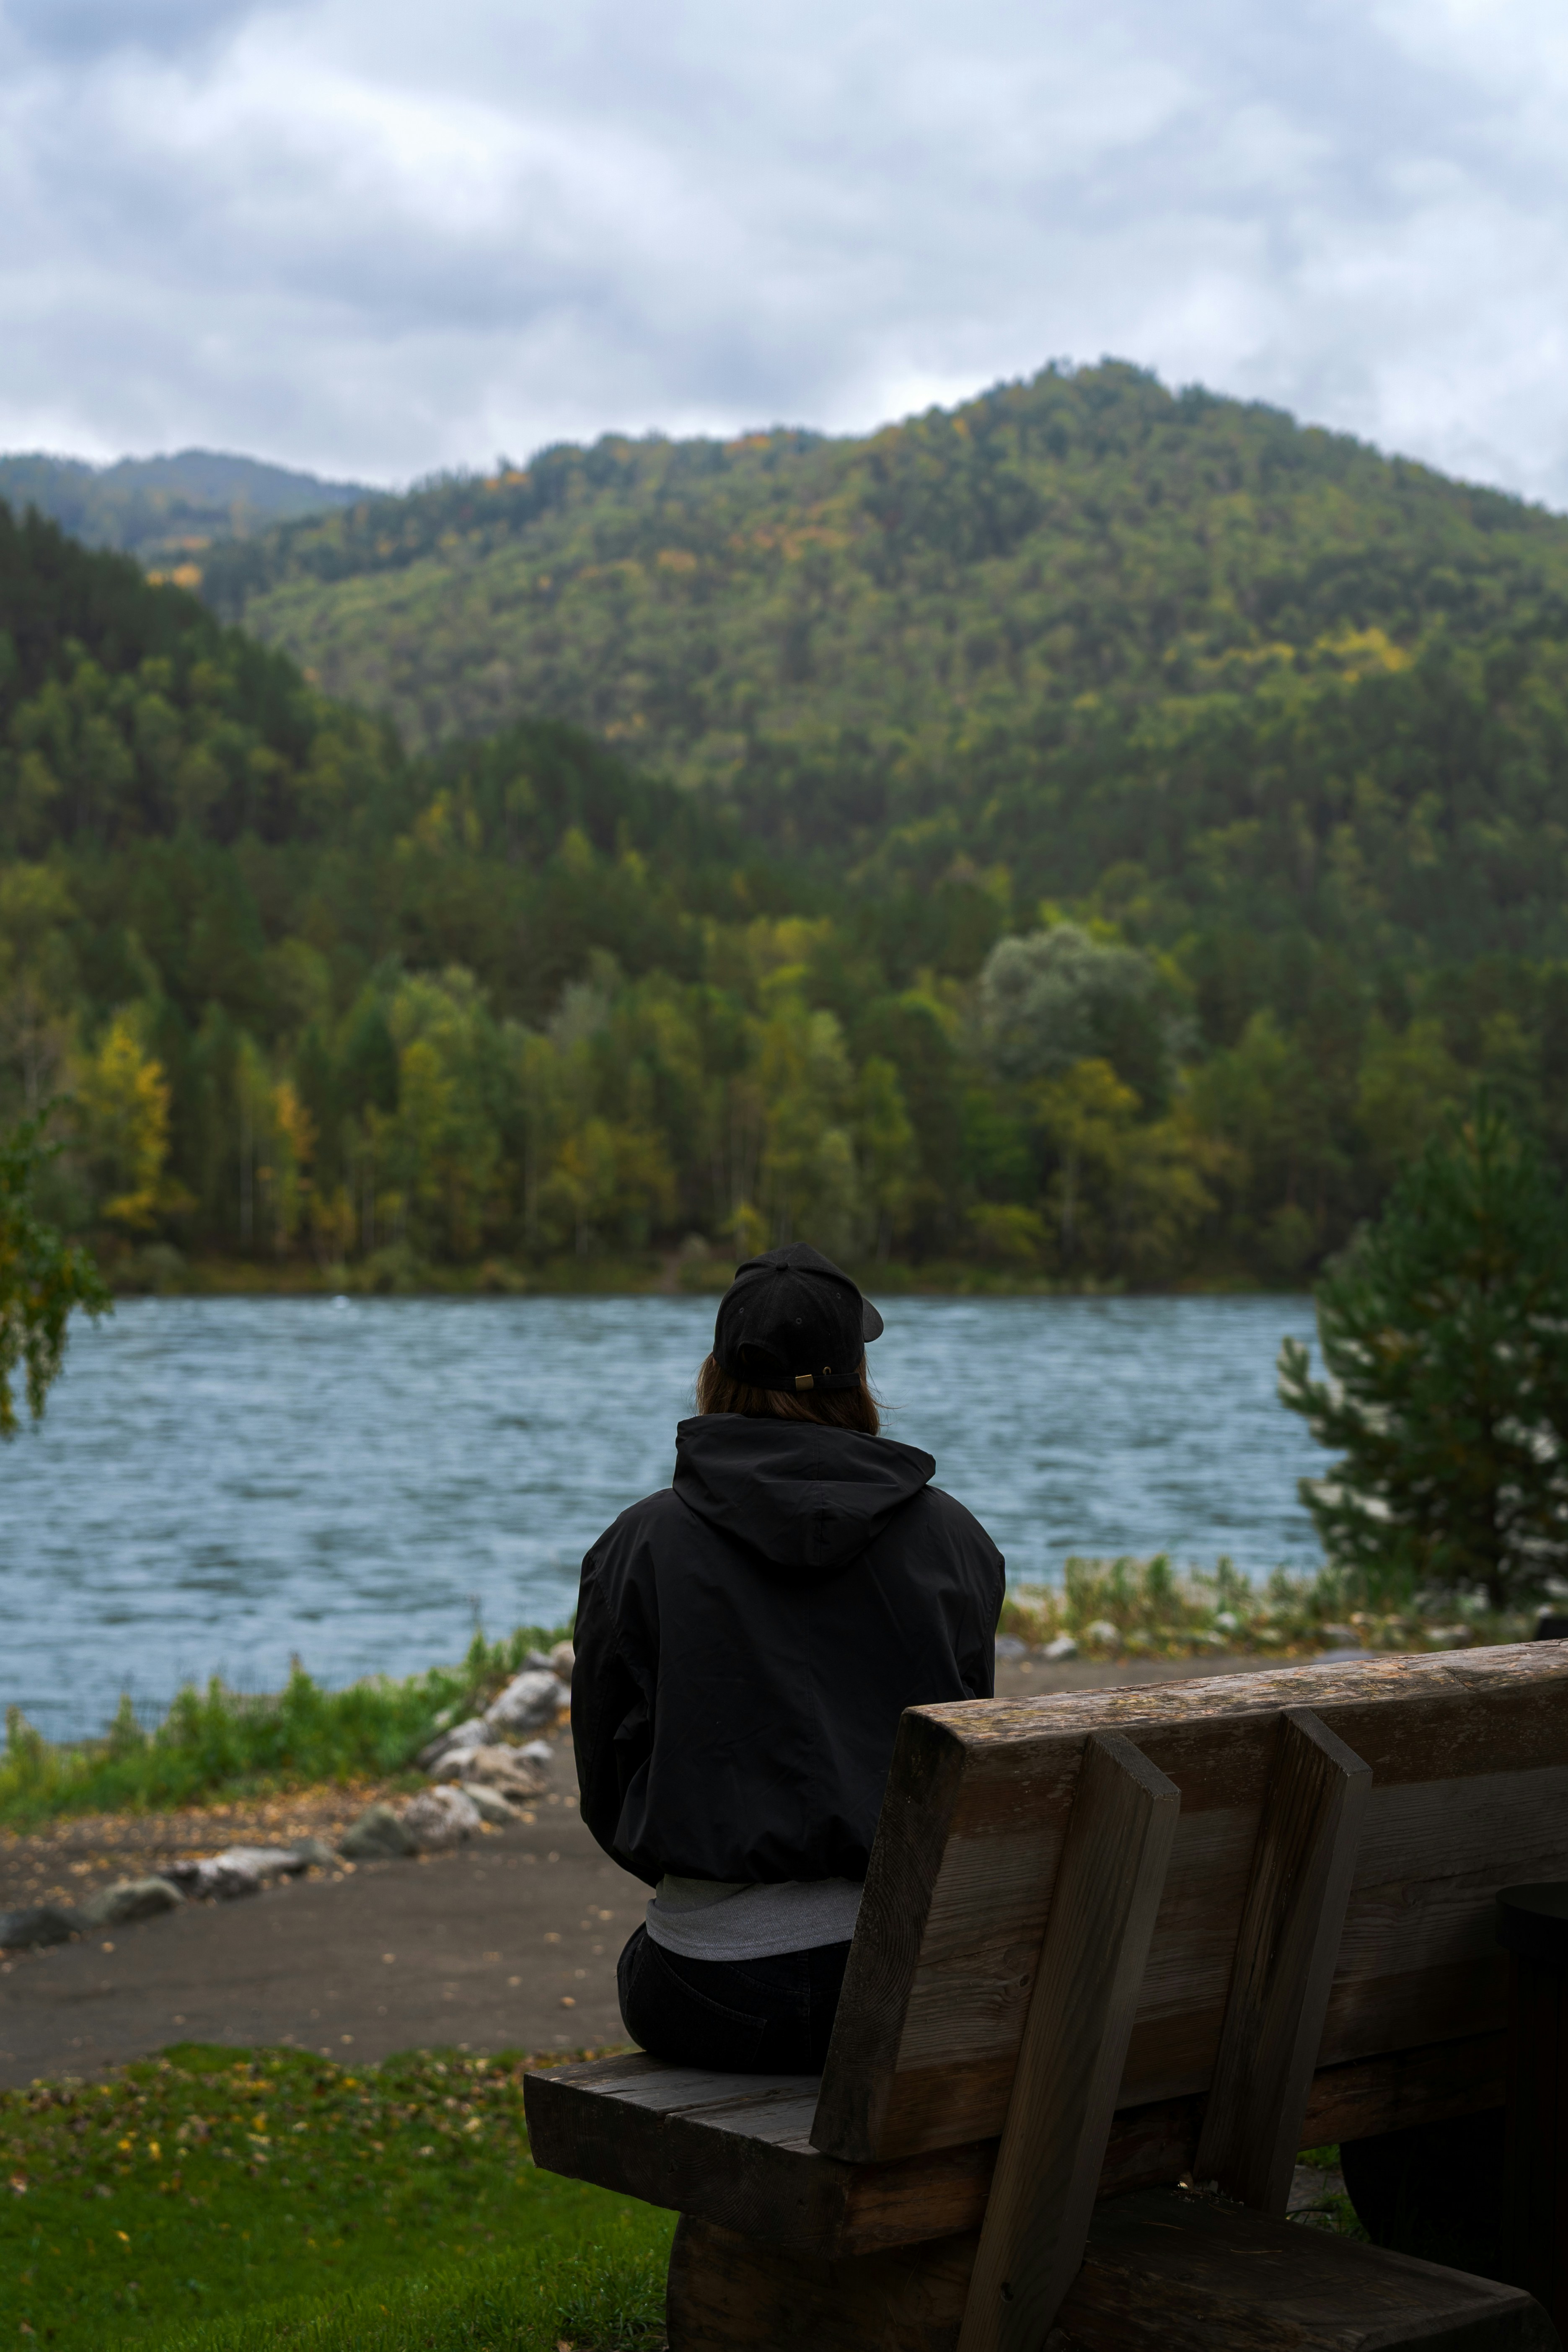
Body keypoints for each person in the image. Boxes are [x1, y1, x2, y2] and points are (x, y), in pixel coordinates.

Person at [572, 1242, 1005, 2074]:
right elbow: (964, 1751)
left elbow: (606, 1780)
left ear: (715, 1371)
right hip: (904, 1978)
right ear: (855, 1377)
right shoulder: (954, 1539)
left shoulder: (640, 1542)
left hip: (711, 1990)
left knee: (651, 1963)